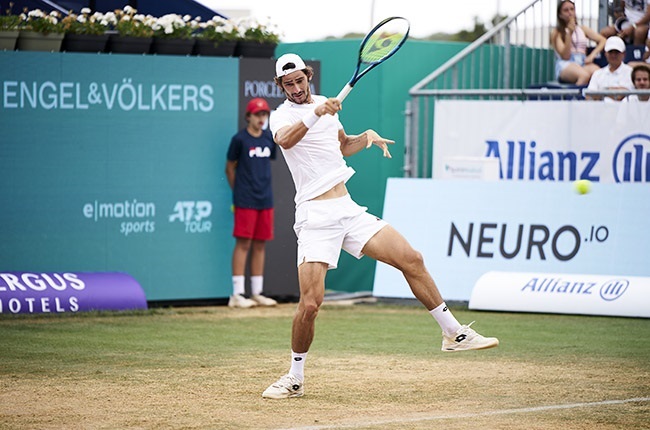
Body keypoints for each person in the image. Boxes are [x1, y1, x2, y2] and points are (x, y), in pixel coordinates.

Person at [261, 53, 499, 400]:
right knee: (311, 304)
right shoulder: (282, 115)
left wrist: (366, 137)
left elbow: (342, 146)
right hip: (315, 216)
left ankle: (453, 333)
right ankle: (294, 377)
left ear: (308, 76)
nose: (296, 88)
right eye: (288, 83)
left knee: (411, 259)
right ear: (280, 86)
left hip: (347, 208)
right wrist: (316, 112)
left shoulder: (326, 110)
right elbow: (285, 140)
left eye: (300, 80)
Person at [225, 98, 278, 308]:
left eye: (264, 114)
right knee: (244, 244)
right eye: (257, 114)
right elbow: (229, 168)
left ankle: (257, 292)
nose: (261, 118)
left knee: (260, 244)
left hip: (265, 199)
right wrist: (238, 192)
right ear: (248, 117)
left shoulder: (268, 139)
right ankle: (237, 294)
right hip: (245, 199)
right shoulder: (239, 140)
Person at [551, 0, 606, 85]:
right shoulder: (557, 32)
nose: (570, 13)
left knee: (599, 74)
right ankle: (575, 98)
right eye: (566, 10)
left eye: (572, 9)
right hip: (566, 63)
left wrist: (592, 55)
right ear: (560, 15)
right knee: (584, 75)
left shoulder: (582, 29)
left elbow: (603, 40)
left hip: (582, 61)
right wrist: (569, 34)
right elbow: (565, 56)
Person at [586, 36, 634, 101]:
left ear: (623, 54)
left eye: (616, 52)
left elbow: (625, 95)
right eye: (610, 52)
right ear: (605, 54)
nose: (613, 55)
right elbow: (589, 97)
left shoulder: (631, 72)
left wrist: (602, 93)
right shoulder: (597, 74)